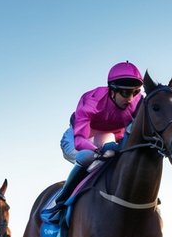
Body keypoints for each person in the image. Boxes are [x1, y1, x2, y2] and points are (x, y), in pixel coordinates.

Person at [43, 61, 144, 223]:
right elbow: (80, 140)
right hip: (80, 135)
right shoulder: (92, 101)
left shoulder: (137, 103)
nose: (130, 98)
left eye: (135, 92)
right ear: (112, 90)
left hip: (107, 136)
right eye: (125, 93)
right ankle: (60, 202)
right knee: (88, 157)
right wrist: (100, 151)